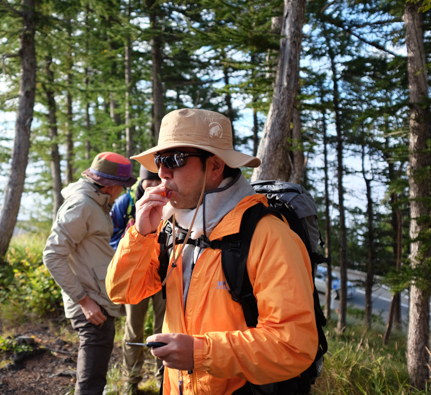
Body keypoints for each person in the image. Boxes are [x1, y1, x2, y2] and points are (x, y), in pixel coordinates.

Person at [106, 108, 318, 394]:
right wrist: (141, 235)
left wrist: (200, 353)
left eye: (174, 159)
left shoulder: (268, 235)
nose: (162, 172)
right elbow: (123, 291)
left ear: (215, 166)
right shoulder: (172, 228)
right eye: (159, 160)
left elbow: (294, 345)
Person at [43, 152, 137, 395]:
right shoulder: (82, 205)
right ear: (110, 185)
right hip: (92, 306)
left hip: (98, 299)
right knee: (91, 384)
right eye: (122, 186)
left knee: (94, 379)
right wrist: (84, 301)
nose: (122, 192)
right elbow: (52, 255)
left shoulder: (95, 204)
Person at [110, 166, 166, 394]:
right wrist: (131, 243)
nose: (152, 185)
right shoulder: (126, 203)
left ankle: (165, 380)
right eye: (148, 180)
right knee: (133, 330)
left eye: (156, 179)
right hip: (135, 276)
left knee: (164, 329)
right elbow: (112, 235)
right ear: (141, 182)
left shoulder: (171, 201)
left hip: (164, 276)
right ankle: (131, 381)